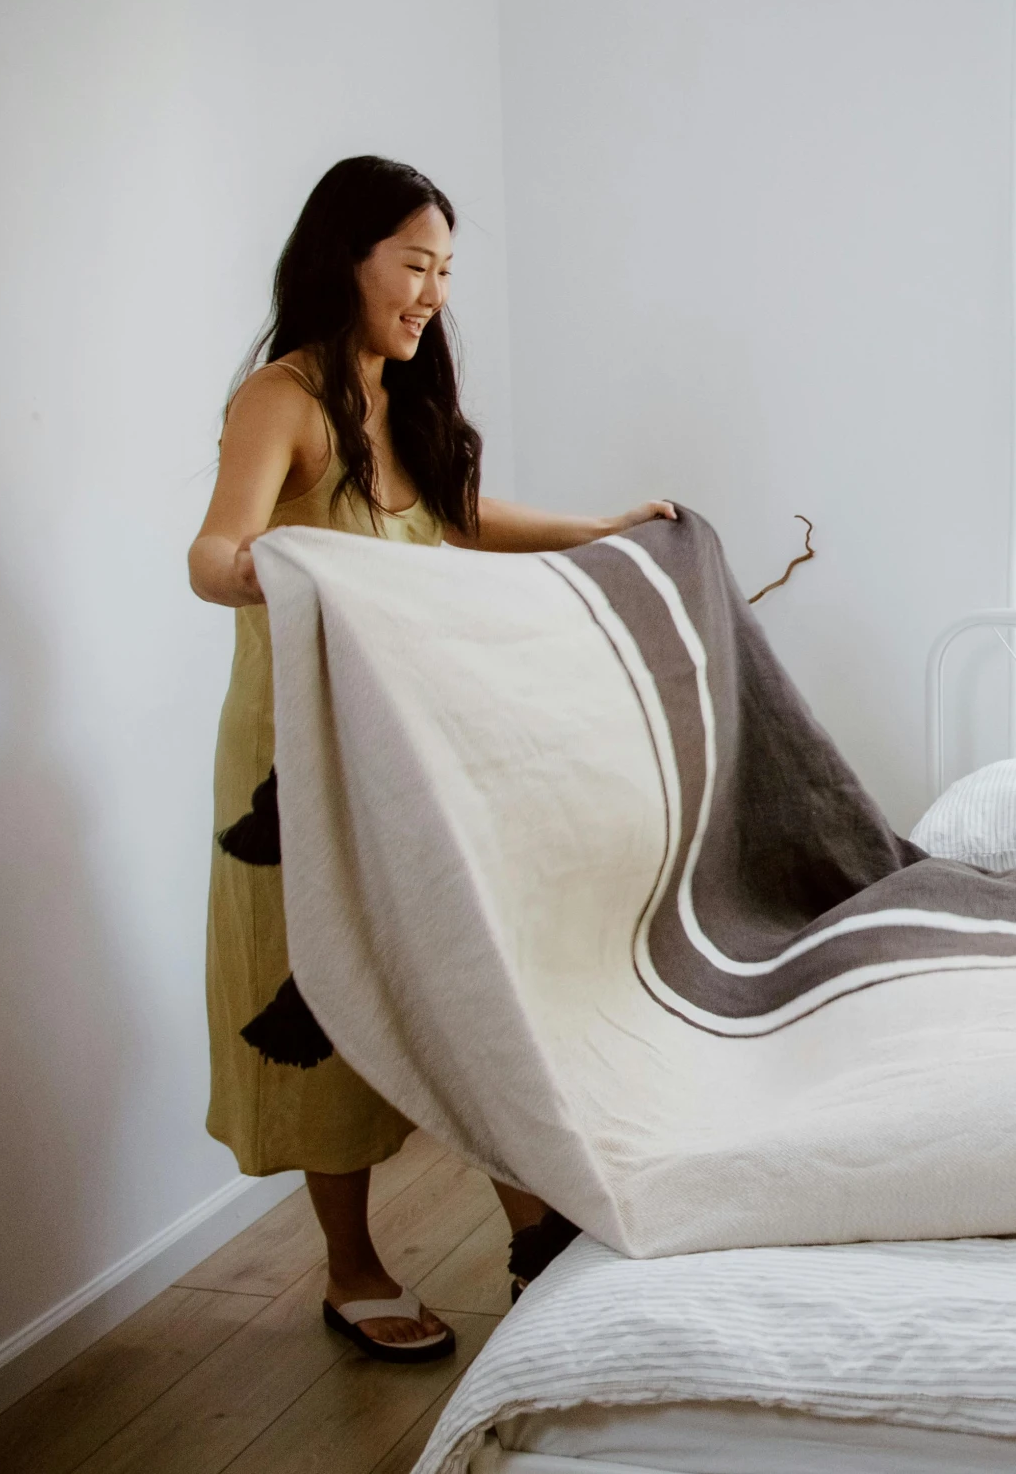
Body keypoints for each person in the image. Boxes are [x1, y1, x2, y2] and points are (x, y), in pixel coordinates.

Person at [187, 156, 672, 1361]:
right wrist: (284, 568)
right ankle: (351, 1267)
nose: (432, 294)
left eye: (446, 271)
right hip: (291, 766)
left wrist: (603, 529)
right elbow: (211, 554)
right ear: (344, 256)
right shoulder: (282, 398)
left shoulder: (401, 393)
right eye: (415, 264)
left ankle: (536, 1226)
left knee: (451, 973)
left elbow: (459, 520)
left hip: (404, 745)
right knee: (307, 1005)